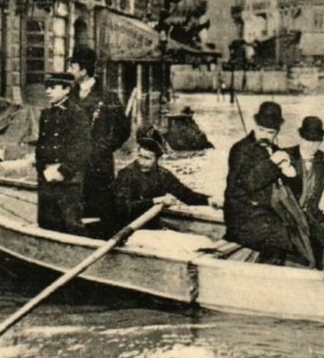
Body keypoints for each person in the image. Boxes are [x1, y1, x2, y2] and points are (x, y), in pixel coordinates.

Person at [223, 101, 302, 265]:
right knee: (279, 238)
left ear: (277, 132)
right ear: (255, 126)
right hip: (242, 217)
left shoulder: (274, 150)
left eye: (270, 132)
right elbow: (247, 183)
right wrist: (273, 163)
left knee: (300, 232)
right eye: (261, 130)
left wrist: (290, 173)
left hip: (266, 215)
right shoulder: (240, 149)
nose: (265, 136)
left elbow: (293, 190)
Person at [67, 45, 130, 237]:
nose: (69, 71)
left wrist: (103, 148)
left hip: (98, 164)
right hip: (74, 163)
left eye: (72, 67)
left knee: (100, 208)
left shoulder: (107, 96)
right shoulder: (70, 94)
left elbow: (123, 129)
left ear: (83, 71)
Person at [112, 127, 220, 228]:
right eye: (140, 156)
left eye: (147, 158)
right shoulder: (126, 174)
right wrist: (155, 201)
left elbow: (186, 195)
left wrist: (209, 200)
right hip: (126, 226)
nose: (142, 162)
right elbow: (123, 208)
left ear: (157, 159)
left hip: (150, 225)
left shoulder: (163, 174)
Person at [35, 72, 91, 235]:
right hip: (46, 176)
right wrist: (41, 170)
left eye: (53, 87)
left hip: (68, 179)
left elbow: (82, 147)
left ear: (66, 89)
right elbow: (41, 144)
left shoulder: (76, 114)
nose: (48, 91)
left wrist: (64, 171)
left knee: (70, 223)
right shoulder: (46, 114)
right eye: (47, 87)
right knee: (47, 221)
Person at [284, 116, 324, 270]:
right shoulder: (286, 155)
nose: (311, 145)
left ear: (321, 142)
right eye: (308, 140)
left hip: (313, 216)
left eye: (316, 142)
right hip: (289, 217)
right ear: (300, 137)